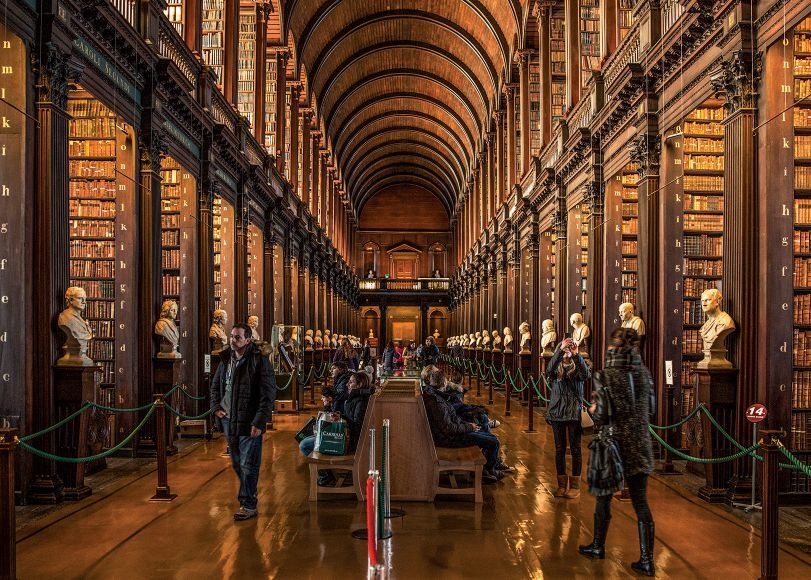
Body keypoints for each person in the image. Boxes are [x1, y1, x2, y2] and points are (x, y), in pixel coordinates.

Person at [579, 328, 656, 577]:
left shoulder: (606, 375)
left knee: (604, 497)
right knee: (640, 502)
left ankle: (598, 546)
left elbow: (601, 413)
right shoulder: (644, 374)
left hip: (612, 443)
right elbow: (652, 407)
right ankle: (647, 560)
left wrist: (592, 409)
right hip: (640, 443)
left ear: (612, 348)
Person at [210, 323, 276, 521]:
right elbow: (215, 386)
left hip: (249, 421)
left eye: (237, 337)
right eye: (231, 336)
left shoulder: (259, 361)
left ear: (248, 340)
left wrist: (259, 422)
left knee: (249, 464)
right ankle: (249, 494)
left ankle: (248, 504)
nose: (232, 340)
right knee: (237, 463)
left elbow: (268, 394)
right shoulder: (225, 360)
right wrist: (216, 408)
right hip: (229, 420)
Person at [421, 368, 507, 483]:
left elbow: (450, 420)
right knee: (493, 442)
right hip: (450, 439)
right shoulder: (437, 402)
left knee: (487, 434)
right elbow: (448, 428)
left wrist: (467, 424)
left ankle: (487, 469)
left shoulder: (434, 395)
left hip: (452, 433)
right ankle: (487, 470)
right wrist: (469, 427)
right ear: (444, 383)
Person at [546, 337, 590, 499]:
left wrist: (577, 354)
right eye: (565, 348)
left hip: (573, 413)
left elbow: (585, 375)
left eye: (569, 349)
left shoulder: (578, 367)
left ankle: (575, 486)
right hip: (557, 411)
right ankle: (562, 484)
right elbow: (548, 371)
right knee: (559, 449)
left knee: (576, 449)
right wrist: (559, 351)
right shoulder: (556, 368)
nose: (567, 351)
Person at [298, 362, 352, 457]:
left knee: (303, 445)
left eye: (333, 368)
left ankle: (322, 469)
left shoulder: (343, 382)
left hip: (338, 431)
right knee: (305, 435)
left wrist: (328, 401)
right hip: (339, 422)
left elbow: (334, 414)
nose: (331, 370)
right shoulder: (340, 380)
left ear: (341, 369)